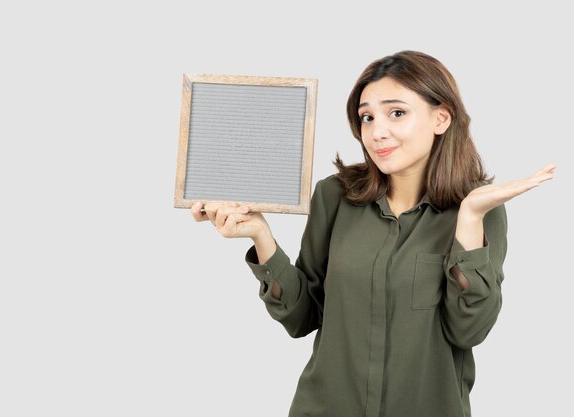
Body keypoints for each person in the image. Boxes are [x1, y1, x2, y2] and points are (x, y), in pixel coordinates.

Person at [190, 50, 555, 417]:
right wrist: (261, 236)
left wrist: (470, 217)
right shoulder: (334, 196)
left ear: (441, 117)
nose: (377, 131)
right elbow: (302, 318)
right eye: (366, 117)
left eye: (397, 113)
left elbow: (469, 330)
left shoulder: (479, 211)